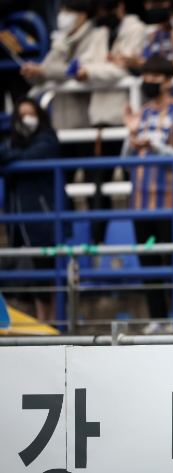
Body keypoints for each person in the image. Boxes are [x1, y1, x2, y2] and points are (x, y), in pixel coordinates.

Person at [124, 56, 173, 334]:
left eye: (155, 76)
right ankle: (158, 317)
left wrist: (154, 147)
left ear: (168, 80)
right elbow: (125, 156)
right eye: (146, 76)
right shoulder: (140, 113)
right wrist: (130, 136)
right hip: (139, 201)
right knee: (148, 263)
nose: (148, 81)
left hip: (171, 202)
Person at [0, 98, 61, 321]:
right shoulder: (12, 143)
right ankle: (44, 322)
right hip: (20, 221)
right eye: (22, 113)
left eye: (31, 113)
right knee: (37, 275)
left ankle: (54, 323)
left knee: (48, 272)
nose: (27, 118)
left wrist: (10, 159)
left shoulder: (48, 138)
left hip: (44, 218)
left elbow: (31, 156)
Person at [19, 0, 109, 129]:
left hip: (88, 123)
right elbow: (41, 76)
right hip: (60, 124)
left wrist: (43, 70)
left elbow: (78, 70)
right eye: (60, 11)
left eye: (67, 11)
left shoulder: (97, 37)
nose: (61, 15)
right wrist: (31, 72)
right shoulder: (61, 41)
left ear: (82, 16)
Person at [81, 0, 146, 126]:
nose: (102, 16)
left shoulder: (137, 29)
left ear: (120, 6)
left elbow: (125, 69)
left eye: (106, 11)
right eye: (99, 13)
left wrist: (89, 72)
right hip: (97, 113)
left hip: (124, 113)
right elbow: (84, 62)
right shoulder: (99, 33)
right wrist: (87, 70)